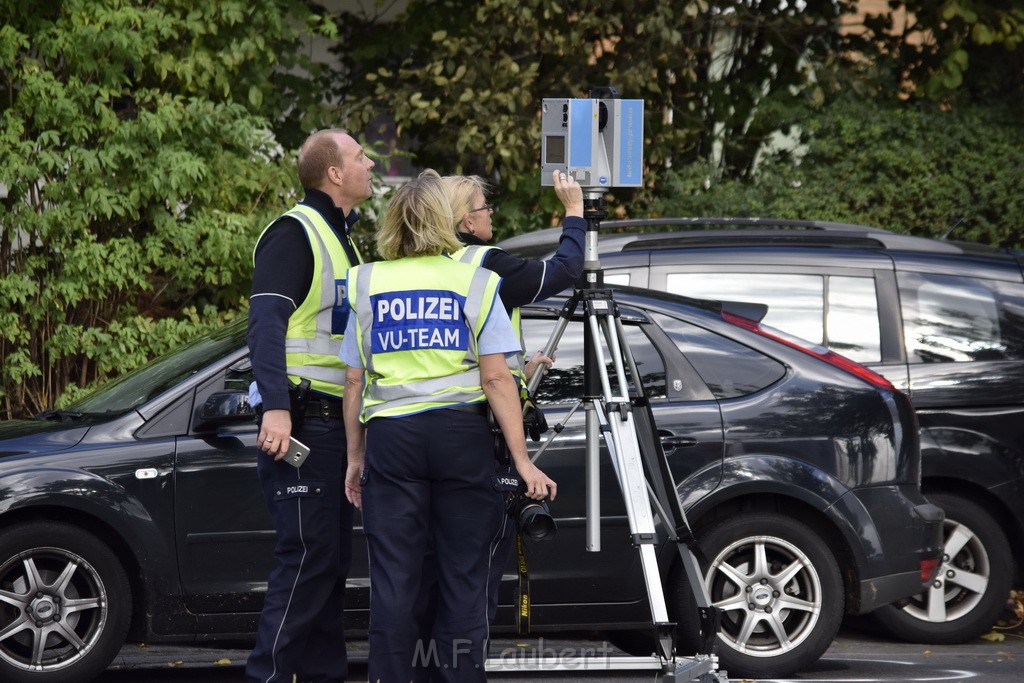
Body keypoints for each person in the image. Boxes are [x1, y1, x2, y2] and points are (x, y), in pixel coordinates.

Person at [340, 169, 557, 682]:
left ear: (394, 223)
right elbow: (499, 380)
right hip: (461, 441)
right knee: (463, 581)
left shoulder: (368, 282)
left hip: (393, 443)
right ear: (445, 221)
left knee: (393, 582)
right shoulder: (477, 281)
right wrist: (523, 462)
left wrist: (355, 456)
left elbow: (353, 380)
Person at [246, 128, 375, 683]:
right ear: (335, 173)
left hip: (333, 429)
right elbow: (265, 322)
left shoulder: (341, 237)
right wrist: (276, 407)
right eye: (360, 156)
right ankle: (264, 677)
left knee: (328, 569)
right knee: (306, 561)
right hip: (301, 423)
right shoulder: (295, 233)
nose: (371, 163)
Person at [445, 170, 584, 624]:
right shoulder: (487, 263)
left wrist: (518, 371)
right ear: (466, 220)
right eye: (485, 208)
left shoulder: (433, 265)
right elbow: (563, 271)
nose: (491, 216)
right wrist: (575, 214)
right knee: (478, 571)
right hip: (483, 433)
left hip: (436, 425)